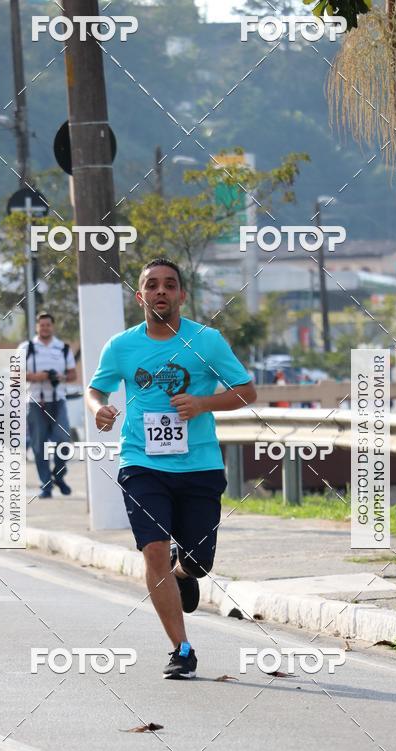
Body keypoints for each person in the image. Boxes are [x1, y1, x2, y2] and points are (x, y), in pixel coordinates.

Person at [86, 258, 257, 680]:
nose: (161, 291)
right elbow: (95, 389)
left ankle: (186, 572)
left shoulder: (208, 341)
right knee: (155, 550)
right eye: (152, 285)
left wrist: (203, 404)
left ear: (181, 294)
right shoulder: (121, 346)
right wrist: (99, 409)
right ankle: (181, 649)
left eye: (170, 285)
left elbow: (247, 390)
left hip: (199, 465)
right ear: (140, 295)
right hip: (141, 463)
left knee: (199, 560)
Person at [19, 311, 77, 499]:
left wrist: (59, 377)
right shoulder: (26, 348)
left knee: (64, 441)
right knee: (39, 446)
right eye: (41, 325)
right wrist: (37, 377)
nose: (45, 328)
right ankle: (46, 485)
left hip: (58, 400)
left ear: (53, 326)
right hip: (35, 402)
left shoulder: (62, 348)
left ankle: (59, 476)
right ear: (37, 327)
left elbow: (72, 375)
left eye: (48, 325)